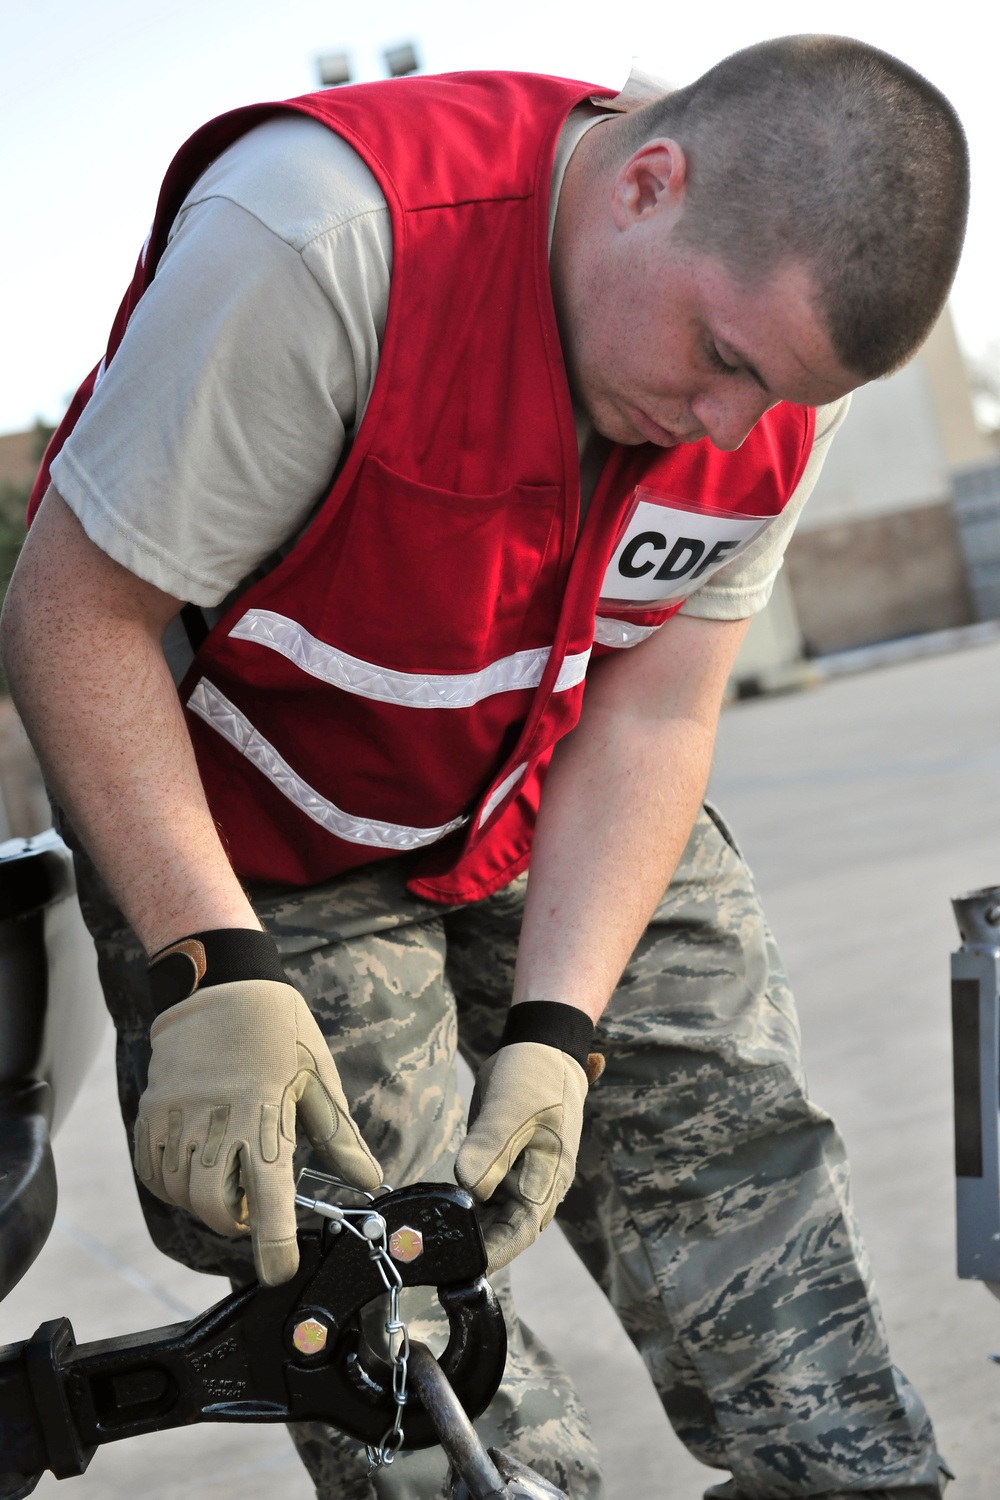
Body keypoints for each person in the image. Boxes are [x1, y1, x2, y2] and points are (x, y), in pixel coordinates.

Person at [1, 33, 968, 1500]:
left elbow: (652, 713)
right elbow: (75, 613)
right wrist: (213, 971)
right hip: (261, 843)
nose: (727, 426)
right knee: (370, 1315)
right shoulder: (322, 243)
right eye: (718, 359)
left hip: (536, 790)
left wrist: (564, 1035)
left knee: (733, 1163)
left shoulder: (774, 374)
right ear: (651, 183)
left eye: (770, 392)